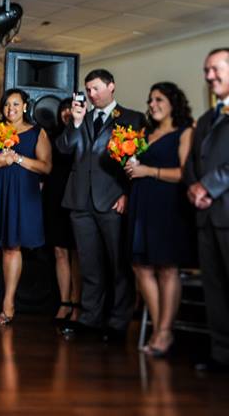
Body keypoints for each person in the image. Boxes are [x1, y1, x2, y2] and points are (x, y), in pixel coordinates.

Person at [56, 69, 145, 343]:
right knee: (89, 263)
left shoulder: (131, 118)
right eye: (88, 90)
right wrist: (75, 122)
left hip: (112, 200)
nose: (91, 95)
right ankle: (89, 318)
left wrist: (128, 194)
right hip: (81, 200)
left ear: (111, 87)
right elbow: (64, 148)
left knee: (118, 264)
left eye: (95, 89)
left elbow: (138, 162)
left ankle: (118, 322)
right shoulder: (79, 117)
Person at [0, 89, 51, 325]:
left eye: (16, 104)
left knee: (12, 247)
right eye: (6, 104)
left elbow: (46, 167)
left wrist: (18, 159)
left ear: (24, 106)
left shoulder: (37, 133)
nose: (10, 109)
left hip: (21, 194)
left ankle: (8, 302)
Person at [124, 82, 193, 357]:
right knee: (141, 267)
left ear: (173, 102)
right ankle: (158, 327)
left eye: (159, 99)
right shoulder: (145, 133)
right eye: (150, 100)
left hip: (168, 205)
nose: (152, 104)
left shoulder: (185, 133)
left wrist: (147, 171)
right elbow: (134, 166)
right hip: (141, 202)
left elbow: (183, 173)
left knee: (167, 268)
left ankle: (164, 332)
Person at [186, 48, 229, 373]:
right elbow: (192, 162)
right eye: (206, 70)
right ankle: (221, 355)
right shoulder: (207, 118)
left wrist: (209, 187)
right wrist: (192, 185)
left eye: (215, 69)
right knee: (214, 289)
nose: (209, 76)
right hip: (205, 218)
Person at [43, 98, 81, 324]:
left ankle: (77, 303)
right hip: (55, 196)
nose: (67, 112)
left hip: (77, 196)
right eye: (64, 109)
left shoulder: (84, 131)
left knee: (77, 251)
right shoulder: (51, 135)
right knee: (59, 251)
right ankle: (64, 301)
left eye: (71, 108)